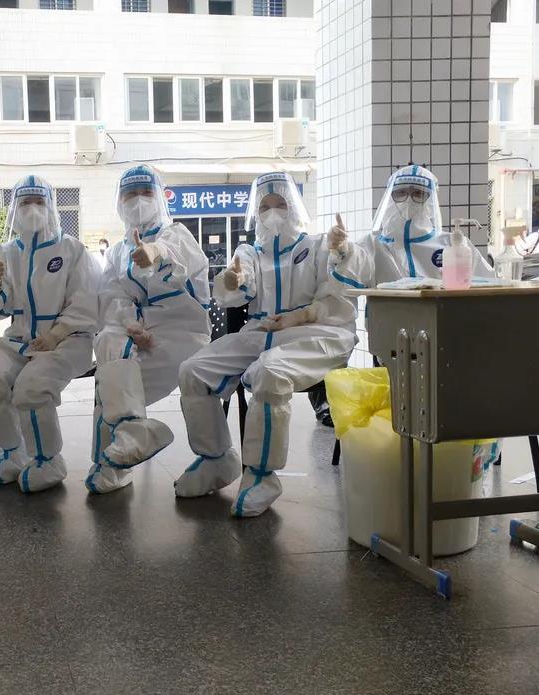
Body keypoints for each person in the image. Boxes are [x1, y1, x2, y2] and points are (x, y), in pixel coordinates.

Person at [174, 172, 370, 517]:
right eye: (265, 206)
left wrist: (343, 250)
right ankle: (215, 459)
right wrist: (233, 279)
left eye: (281, 204)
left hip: (317, 334)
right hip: (262, 332)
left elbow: (346, 286)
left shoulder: (318, 245)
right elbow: (238, 287)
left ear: (295, 207)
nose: (273, 212)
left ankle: (262, 476)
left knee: (269, 372)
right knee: (193, 370)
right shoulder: (250, 251)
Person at [86, 165, 211, 494]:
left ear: (159, 198)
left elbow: (176, 256)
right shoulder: (117, 251)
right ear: (119, 201)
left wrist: (154, 252)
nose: (138, 200)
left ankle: (117, 454)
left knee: (112, 381)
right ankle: (124, 445)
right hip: (138, 336)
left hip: (181, 335)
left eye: (146, 192)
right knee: (108, 348)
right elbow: (112, 297)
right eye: (131, 194)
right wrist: (132, 325)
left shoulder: (177, 234)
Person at [0, 176, 100, 493]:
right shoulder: (6, 252)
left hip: (68, 340)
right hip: (19, 339)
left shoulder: (71, 250)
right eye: (25, 203)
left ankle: (49, 460)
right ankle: (13, 451)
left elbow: (86, 302)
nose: (32, 209)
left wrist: (56, 334)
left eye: (39, 202)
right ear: (14, 209)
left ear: (51, 207)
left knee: (31, 388)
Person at [363, 165, 492, 283]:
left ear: (431, 200)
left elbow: (488, 283)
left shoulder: (454, 245)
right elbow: (351, 280)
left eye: (418, 193)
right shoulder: (372, 245)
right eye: (401, 192)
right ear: (390, 197)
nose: (409, 200)